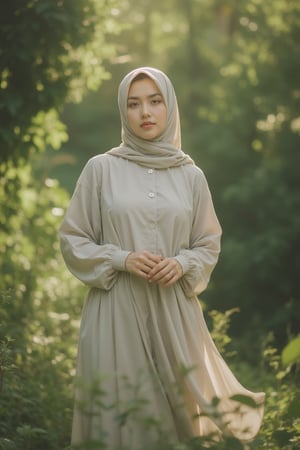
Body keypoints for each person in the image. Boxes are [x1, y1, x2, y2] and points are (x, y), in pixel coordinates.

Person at [59, 67, 265, 449]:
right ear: (124, 111)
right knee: (122, 414)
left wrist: (182, 263)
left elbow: (208, 242)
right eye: (134, 104)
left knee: (183, 417)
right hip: (115, 310)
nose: (145, 112)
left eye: (155, 101)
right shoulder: (101, 169)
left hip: (175, 313)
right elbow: (73, 238)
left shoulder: (191, 176)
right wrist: (122, 259)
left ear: (170, 106)